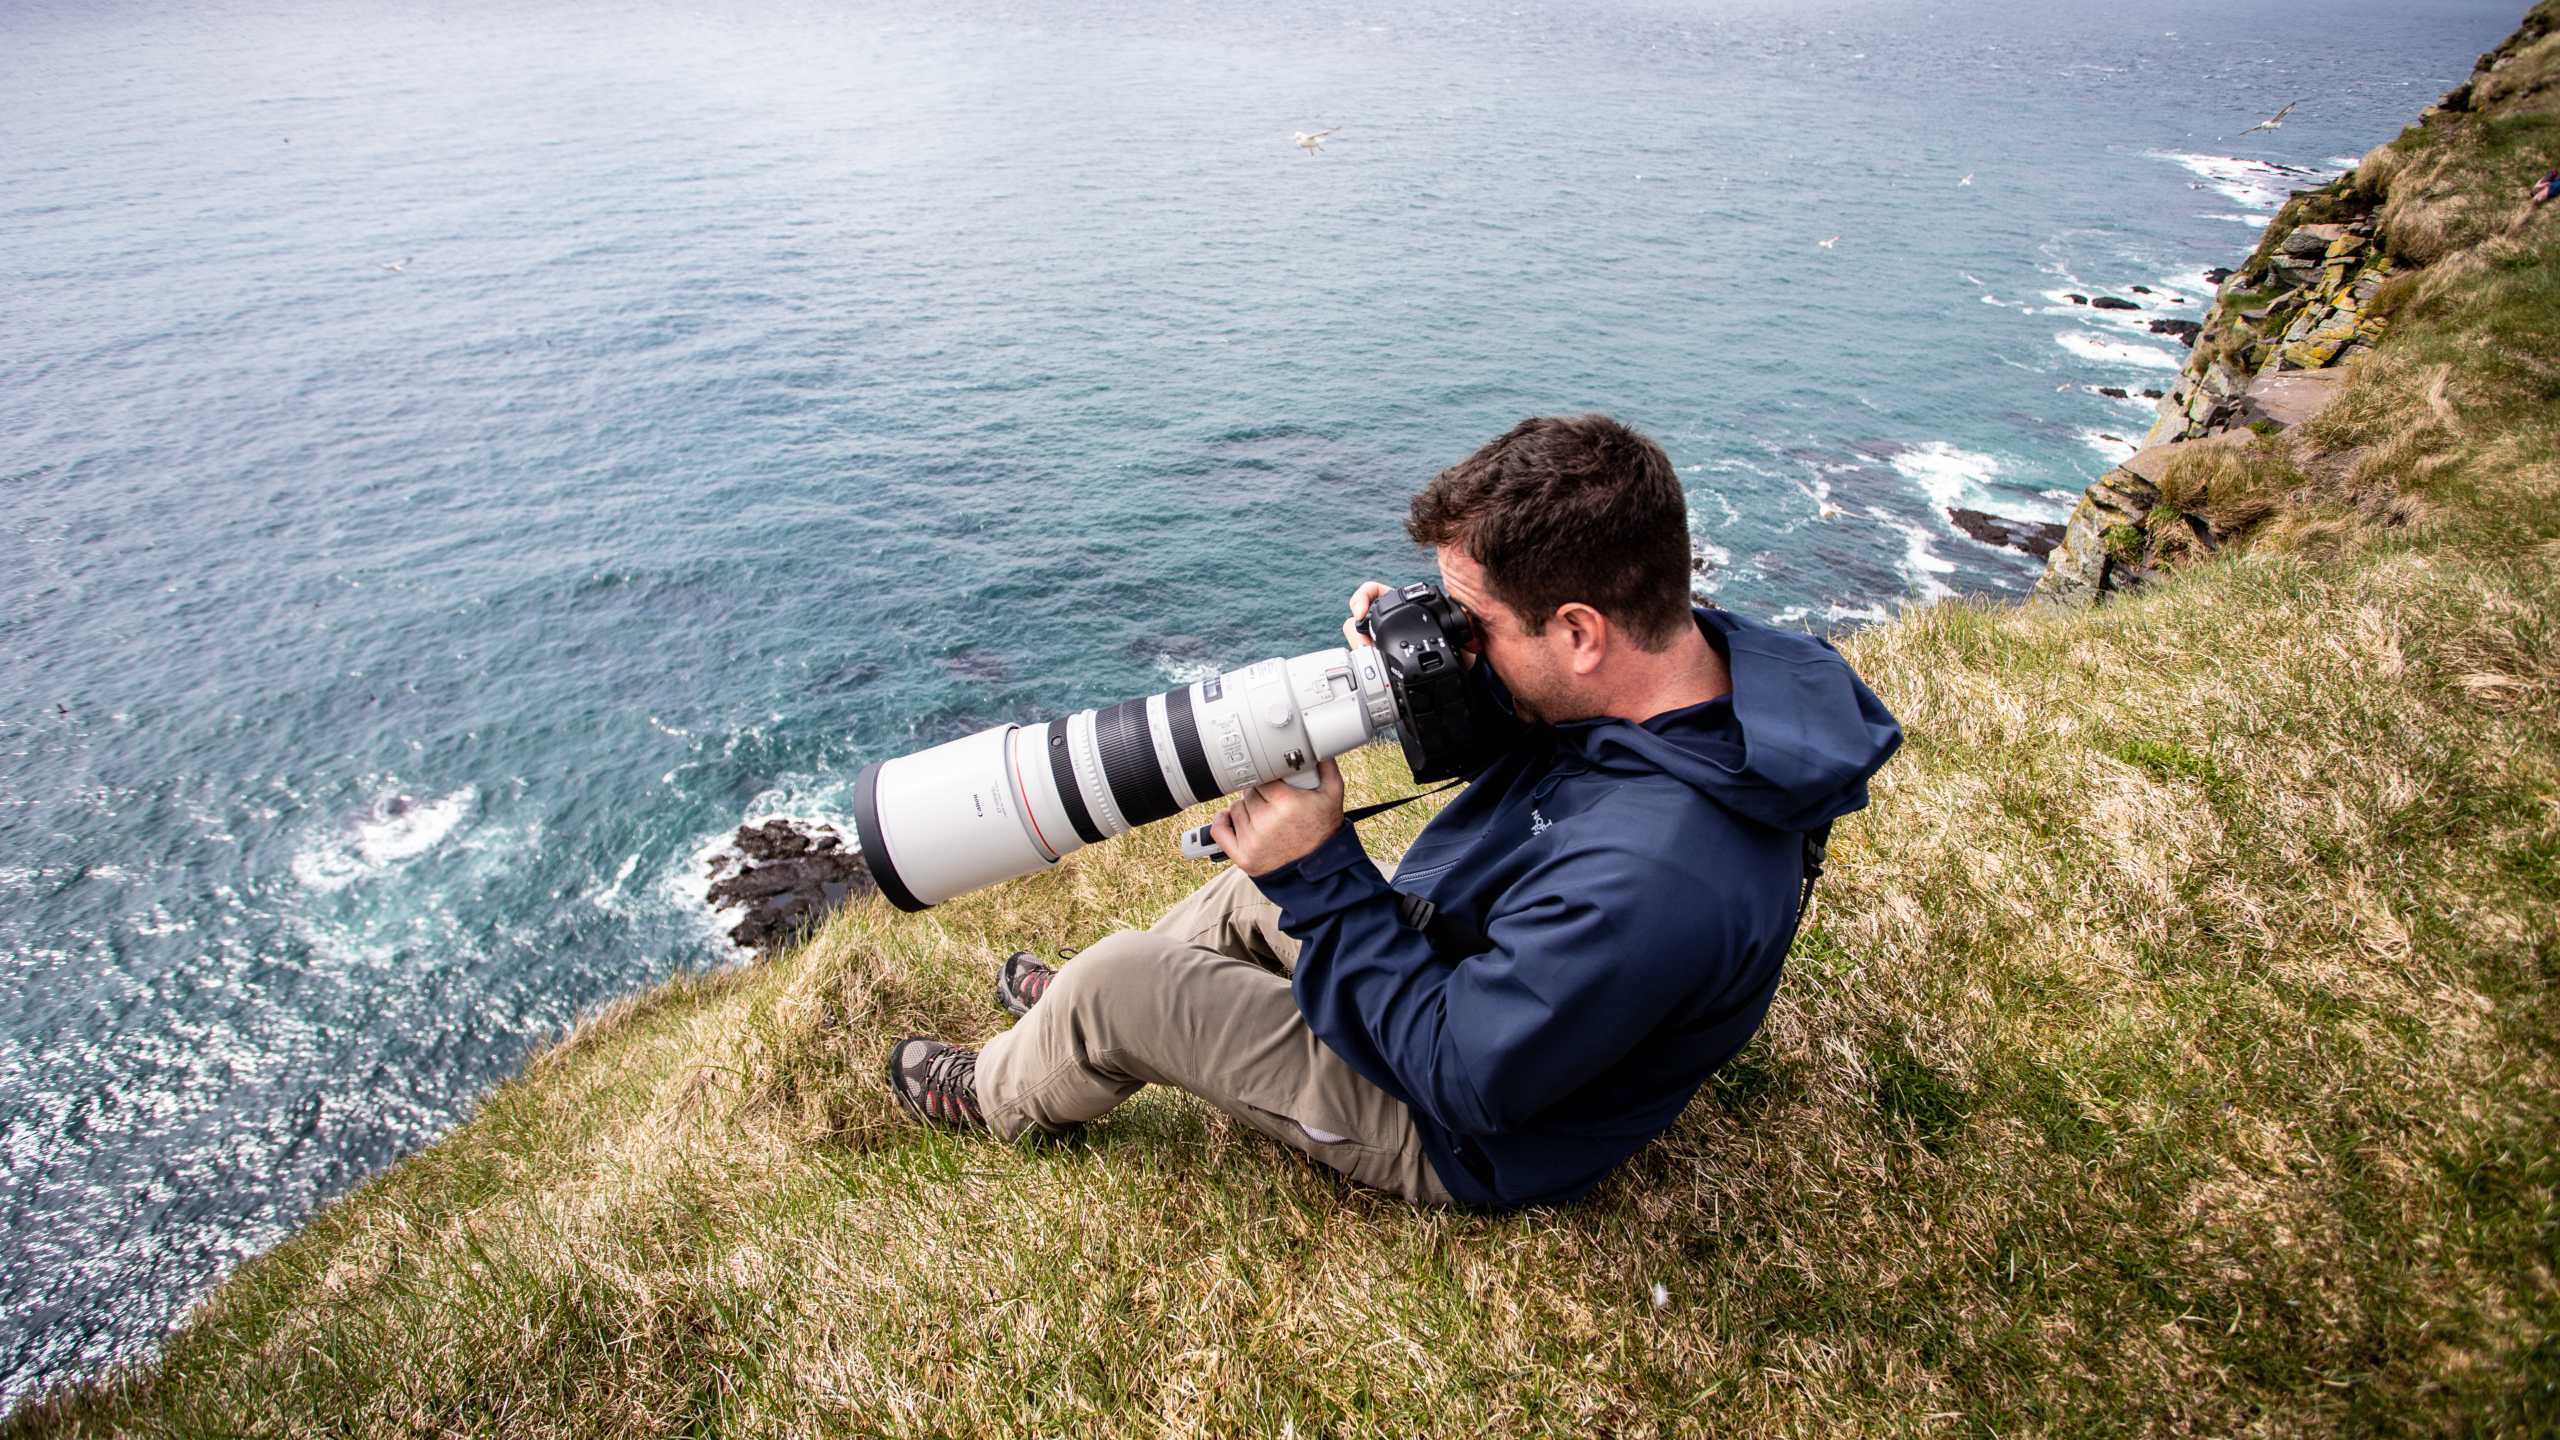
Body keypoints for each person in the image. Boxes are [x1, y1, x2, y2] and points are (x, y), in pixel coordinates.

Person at [883, 414, 1904, 1210]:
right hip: (1475, 964)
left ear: (1582, 631)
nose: (1455, 628)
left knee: (1121, 981)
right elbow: (1579, 748)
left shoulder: (1661, 877)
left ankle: (1005, 1088)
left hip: (1466, 1125)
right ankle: (1080, 1029)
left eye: (1477, 619)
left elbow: (1464, 1074)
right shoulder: (1698, 667)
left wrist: (1322, 876)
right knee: (1240, 903)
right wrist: (1441, 689)